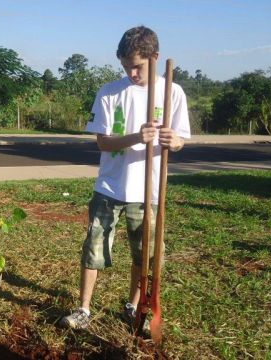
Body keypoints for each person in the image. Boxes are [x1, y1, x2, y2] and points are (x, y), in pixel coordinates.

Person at [61, 26, 191, 330]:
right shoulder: (109, 92)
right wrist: (135, 136)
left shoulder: (172, 91)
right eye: (126, 66)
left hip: (150, 191)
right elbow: (102, 142)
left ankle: (134, 305)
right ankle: (83, 309)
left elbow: (181, 138)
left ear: (155, 58)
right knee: (93, 249)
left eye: (138, 66)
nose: (131, 72)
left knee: (143, 254)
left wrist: (174, 141)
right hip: (110, 186)